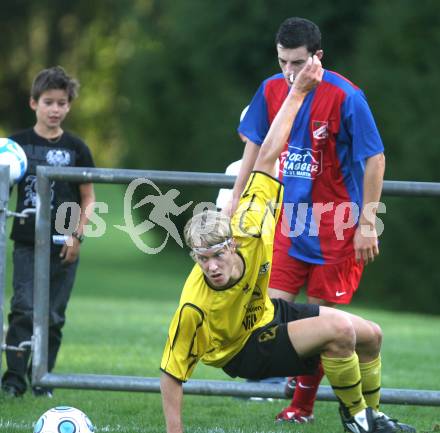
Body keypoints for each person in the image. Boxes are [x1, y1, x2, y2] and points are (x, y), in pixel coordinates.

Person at [159, 57, 414, 433]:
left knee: (371, 335)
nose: (211, 266)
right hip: (245, 351)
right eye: (202, 259)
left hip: (269, 314)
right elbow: (171, 374)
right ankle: (359, 422)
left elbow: (266, 157)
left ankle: (371, 419)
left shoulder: (249, 226)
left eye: (217, 255)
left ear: (233, 243)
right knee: (340, 333)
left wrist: (295, 93)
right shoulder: (193, 304)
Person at [228, 17, 386, 422]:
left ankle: (303, 408)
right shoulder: (270, 90)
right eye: (282, 61)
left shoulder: (346, 95)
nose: (289, 71)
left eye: (297, 62)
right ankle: (281, 388)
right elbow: (255, 149)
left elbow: (375, 158)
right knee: (267, 314)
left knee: (320, 325)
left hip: (337, 228)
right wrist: (235, 204)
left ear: (318, 57)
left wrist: (367, 224)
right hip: (287, 223)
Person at [1, 66, 95, 397]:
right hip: (27, 243)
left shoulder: (77, 148)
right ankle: (13, 380)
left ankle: (44, 378)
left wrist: (78, 235)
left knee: (53, 316)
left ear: (69, 106)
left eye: (61, 103)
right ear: (33, 103)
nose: (55, 109)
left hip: (63, 245)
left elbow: (87, 197)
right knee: (24, 309)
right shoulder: (15, 146)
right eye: (48, 102)